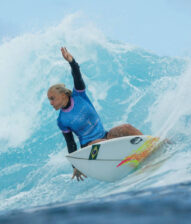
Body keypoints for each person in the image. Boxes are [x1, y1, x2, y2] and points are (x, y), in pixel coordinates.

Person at [47, 47, 143, 182]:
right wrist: (76, 165)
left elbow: (77, 75)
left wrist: (71, 61)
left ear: (63, 95)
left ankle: (149, 146)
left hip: (105, 136)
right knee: (102, 145)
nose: (51, 102)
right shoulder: (62, 120)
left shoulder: (79, 95)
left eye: (52, 98)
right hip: (90, 149)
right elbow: (71, 144)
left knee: (126, 128)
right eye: (49, 100)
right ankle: (129, 162)